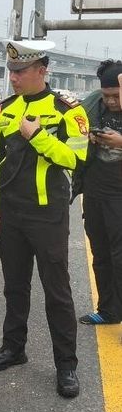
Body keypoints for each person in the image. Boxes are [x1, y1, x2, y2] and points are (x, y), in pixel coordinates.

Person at [0, 39, 89, 399]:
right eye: (11, 72)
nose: (13, 78)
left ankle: (67, 366)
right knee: (15, 286)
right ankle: (14, 348)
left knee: (57, 292)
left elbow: (75, 160)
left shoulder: (66, 110)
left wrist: (39, 135)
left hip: (48, 215)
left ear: (42, 71)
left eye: (21, 72)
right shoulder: (5, 109)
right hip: (12, 214)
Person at [71, 59, 122, 327]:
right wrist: (88, 137)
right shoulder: (92, 105)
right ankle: (108, 310)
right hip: (94, 192)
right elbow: (73, 134)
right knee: (100, 254)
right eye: (106, 95)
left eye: (116, 95)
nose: (111, 101)